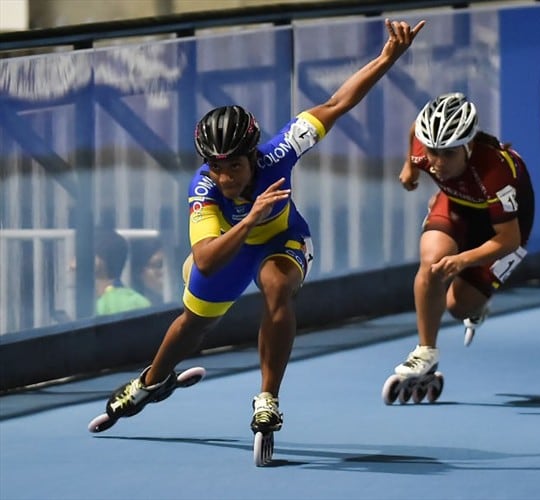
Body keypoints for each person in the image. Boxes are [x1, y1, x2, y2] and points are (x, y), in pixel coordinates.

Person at [99, 19, 425, 434]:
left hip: (282, 238)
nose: (225, 177)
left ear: (253, 156)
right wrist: (251, 217)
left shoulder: (281, 152)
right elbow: (206, 260)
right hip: (230, 250)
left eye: (233, 166)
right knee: (195, 322)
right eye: (215, 167)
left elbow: (337, 103)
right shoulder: (204, 189)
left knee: (276, 285)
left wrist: (387, 57)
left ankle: (268, 398)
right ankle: (152, 382)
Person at [385, 92, 535, 402]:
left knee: (459, 307)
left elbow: (508, 240)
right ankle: (425, 351)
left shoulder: (496, 172)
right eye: (432, 152)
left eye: (448, 154)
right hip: (458, 204)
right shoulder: (424, 148)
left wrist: (464, 260)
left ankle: (477, 305)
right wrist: (411, 167)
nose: (438, 163)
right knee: (432, 263)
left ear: (467, 146)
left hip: (506, 226)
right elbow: (415, 130)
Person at [93, 227, 152, 315]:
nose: (72, 265)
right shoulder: (137, 301)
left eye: (78, 257)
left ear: (97, 262)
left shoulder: (99, 306)